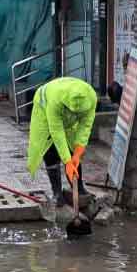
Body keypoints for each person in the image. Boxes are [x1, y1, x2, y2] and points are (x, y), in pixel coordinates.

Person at [26, 77, 98, 206]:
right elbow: (56, 132)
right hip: (44, 107)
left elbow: (85, 127)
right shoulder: (55, 100)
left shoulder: (91, 98)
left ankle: (78, 188)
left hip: (65, 111)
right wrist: (67, 161)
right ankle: (57, 193)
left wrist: (76, 155)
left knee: (72, 146)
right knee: (50, 148)